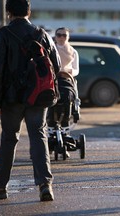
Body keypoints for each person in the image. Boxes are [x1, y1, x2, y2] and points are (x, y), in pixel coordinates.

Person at [0, 0, 61, 201]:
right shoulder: (41, 33)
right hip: (38, 95)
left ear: (8, 12)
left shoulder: (3, 34)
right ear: (29, 11)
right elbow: (57, 64)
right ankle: (45, 185)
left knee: (9, 139)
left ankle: (0, 186)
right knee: (38, 136)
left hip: (12, 99)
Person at [47, 27, 80, 157]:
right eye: (58, 35)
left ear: (68, 37)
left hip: (67, 80)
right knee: (51, 105)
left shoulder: (73, 52)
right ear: (55, 36)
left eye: (64, 35)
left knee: (68, 103)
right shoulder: (51, 49)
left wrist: (69, 71)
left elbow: (76, 69)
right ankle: (50, 132)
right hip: (53, 81)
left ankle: (65, 132)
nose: (61, 38)